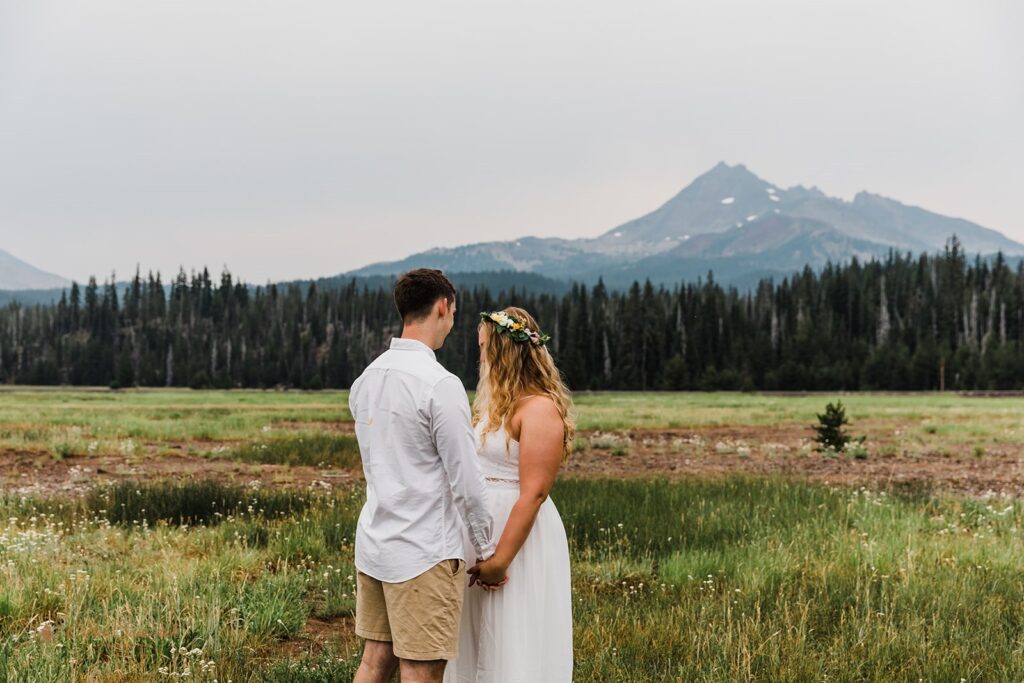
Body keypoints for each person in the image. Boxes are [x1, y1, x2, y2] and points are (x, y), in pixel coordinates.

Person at [350, 268, 497, 683]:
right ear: (443, 308)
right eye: (453, 313)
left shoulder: (366, 380)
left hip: (376, 545)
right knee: (422, 672)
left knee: (374, 662)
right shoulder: (439, 384)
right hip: (424, 552)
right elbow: (466, 481)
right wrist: (487, 551)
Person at [445, 307, 575, 683]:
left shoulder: (539, 409)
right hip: (480, 533)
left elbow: (534, 493)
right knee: (473, 635)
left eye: (484, 348)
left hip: (517, 536)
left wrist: (501, 560)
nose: (480, 357)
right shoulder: (492, 406)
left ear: (504, 352)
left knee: (512, 634)